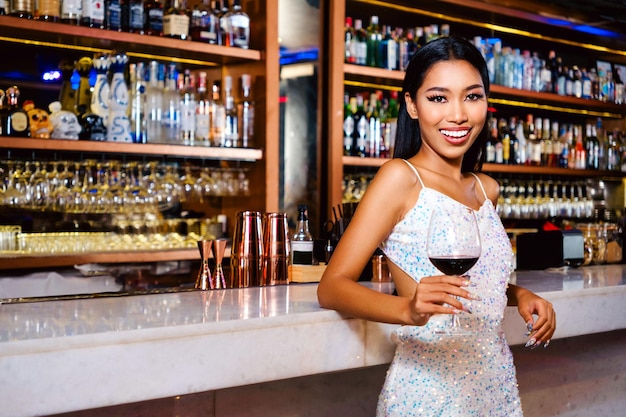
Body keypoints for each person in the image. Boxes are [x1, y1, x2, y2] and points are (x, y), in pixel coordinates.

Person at [317, 35, 556, 416]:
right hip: (427, 394)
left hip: (495, 390)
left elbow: (469, 282)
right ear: (412, 105)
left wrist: (519, 293)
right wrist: (408, 310)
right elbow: (332, 287)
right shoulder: (400, 179)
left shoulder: (485, 188)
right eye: (438, 98)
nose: (458, 114)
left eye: (472, 96)